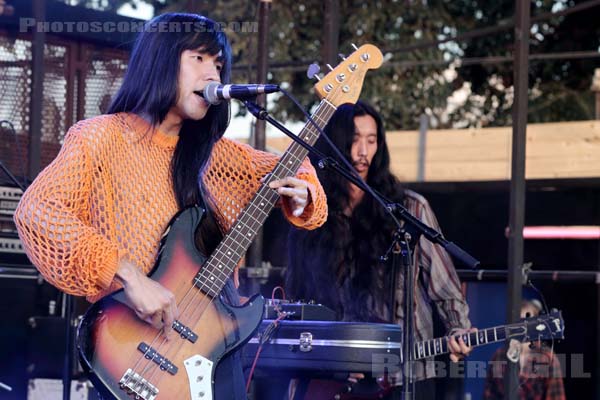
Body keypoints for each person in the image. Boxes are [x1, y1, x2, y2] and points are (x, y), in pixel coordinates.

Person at [13, 13, 327, 400]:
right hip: (128, 353)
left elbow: (295, 164)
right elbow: (37, 211)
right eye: (199, 58)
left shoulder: (215, 156)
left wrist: (306, 193)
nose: (214, 74)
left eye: (219, 64)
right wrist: (129, 276)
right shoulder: (99, 138)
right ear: (161, 59)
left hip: (212, 355)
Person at [286, 101, 472, 399]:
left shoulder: (410, 209)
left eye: (371, 141)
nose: (363, 152)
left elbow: (444, 285)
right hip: (337, 377)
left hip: (405, 377)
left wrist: (458, 328)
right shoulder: (311, 214)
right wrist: (330, 360)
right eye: (354, 140)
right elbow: (300, 300)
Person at [483, 299, 566, 400]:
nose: (522, 327)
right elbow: (489, 395)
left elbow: (556, 396)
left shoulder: (548, 358)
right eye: (519, 321)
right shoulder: (499, 355)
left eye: (527, 321)